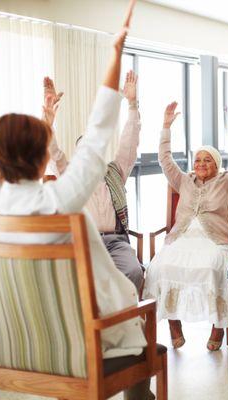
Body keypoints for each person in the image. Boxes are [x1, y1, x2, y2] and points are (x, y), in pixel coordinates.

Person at [0, 2, 153, 398]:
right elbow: (98, 136)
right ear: (45, 157)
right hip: (79, 349)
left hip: (16, 346)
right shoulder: (62, 199)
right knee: (139, 322)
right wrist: (114, 55)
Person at [143, 101, 228, 351]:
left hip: (215, 241)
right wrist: (166, 127)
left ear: (216, 164)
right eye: (198, 159)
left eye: (208, 160)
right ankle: (173, 324)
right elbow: (164, 159)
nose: (201, 163)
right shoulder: (183, 181)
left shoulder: (227, 182)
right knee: (161, 267)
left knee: (212, 268)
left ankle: (218, 326)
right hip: (180, 239)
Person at [46, 70, 144, 293]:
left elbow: (129, 141)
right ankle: (95, 323)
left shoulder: (114, 172)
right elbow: (52, 152)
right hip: (84, 243)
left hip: (116, 242)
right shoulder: (71, 174)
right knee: (84, 281)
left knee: (134, 271)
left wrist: (132, 104)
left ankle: (123, 320)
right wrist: (49, 123)